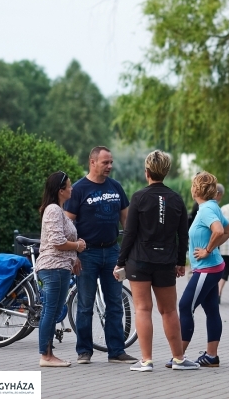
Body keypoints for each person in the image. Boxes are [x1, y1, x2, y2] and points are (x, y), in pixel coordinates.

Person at [115, 150, 199, 371]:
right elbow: (183, 234)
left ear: (147, 172)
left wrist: (120, 262)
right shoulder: (176, 199)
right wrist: (180, 262)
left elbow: (130, 233)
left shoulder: (139, 197)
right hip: (166, 261)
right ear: (166, 172)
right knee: (169, 311)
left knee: (143, 309)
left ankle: (146, 361)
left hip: (139, 260)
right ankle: (178, 359)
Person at [63, 146, 137, 365]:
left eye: (111, 162)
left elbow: (127, 220)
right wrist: (73, 254)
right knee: (85, 305)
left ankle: (117, 351)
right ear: (92, 162)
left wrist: (129, 250)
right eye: (105, 162)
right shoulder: (78, 189)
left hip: (113, 251)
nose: (110, 166)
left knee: (115, 302)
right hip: (87, 254)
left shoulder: (116, 187)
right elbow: (67, 224)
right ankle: (84, 351)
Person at [174, 172, 229, 368]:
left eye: (193, 185)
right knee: (211, 309)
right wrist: (213, 248)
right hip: (213, 267)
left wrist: (208, 250)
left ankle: (179, 356)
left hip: (207, 268)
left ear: (196, 189)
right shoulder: (212, 206)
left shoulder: (207, 209)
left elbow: (219, 230)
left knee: (185, 306)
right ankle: (211, 356)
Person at [36, 171, 85, 367]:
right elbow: (57, 242)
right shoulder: (53, 210)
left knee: (54, 310)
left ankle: (48, 354)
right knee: (50, 311)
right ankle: (46, 355)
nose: (72, 189)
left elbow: (63, 240)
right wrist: (78, 246)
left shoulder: (59, 210)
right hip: (53, 267)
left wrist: (74, 257)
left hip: (61, 267)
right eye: (69, 186)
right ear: (60, 190)